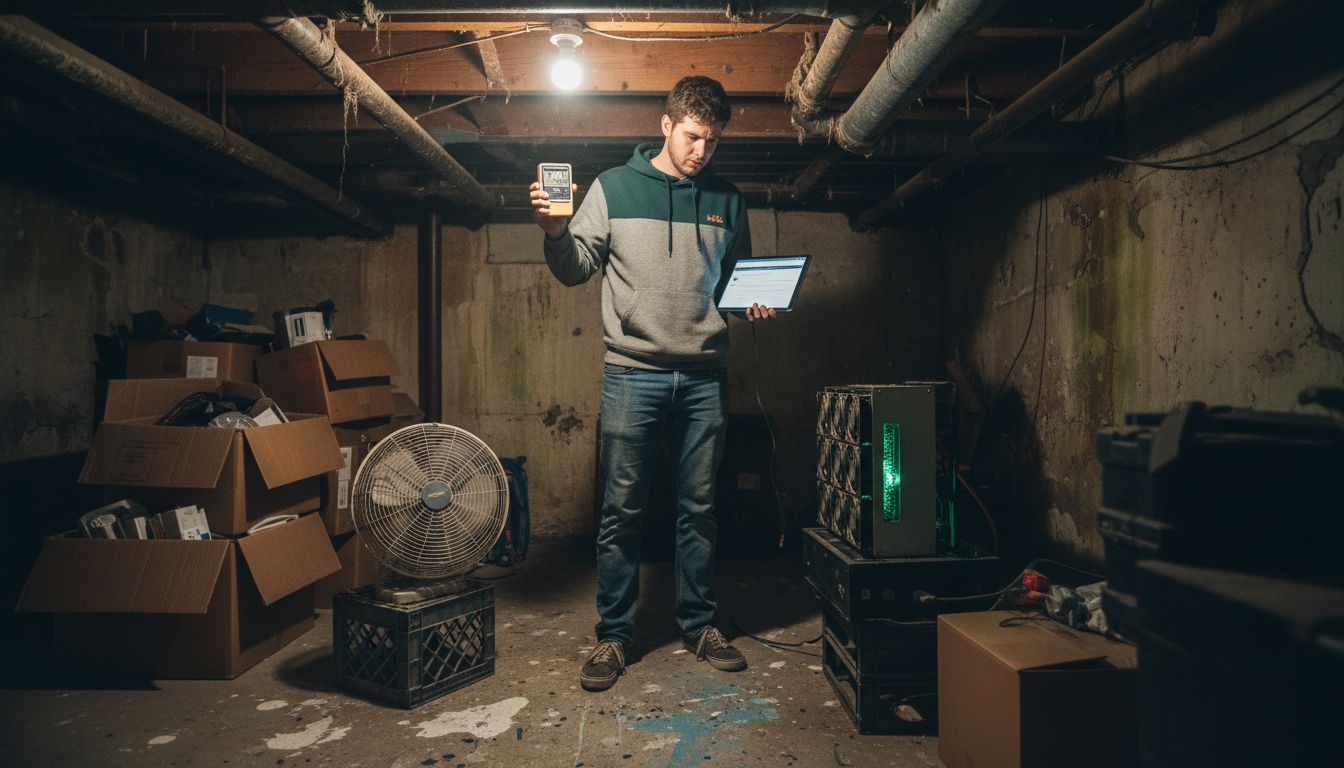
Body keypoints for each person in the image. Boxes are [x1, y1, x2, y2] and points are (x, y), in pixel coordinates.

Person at [530, 75, 776, 692]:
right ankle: (615, 636)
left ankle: (699, 625)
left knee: (700, 508)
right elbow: (574, 271)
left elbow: (730, 285)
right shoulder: (612, 188)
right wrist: (556, 232)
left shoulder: (728, 198)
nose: (702, 151)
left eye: (714, 142)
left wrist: (752, 303)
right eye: (694, 137)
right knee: (621, 513)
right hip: (632, 374)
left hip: (703, 377)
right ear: (665, 125)